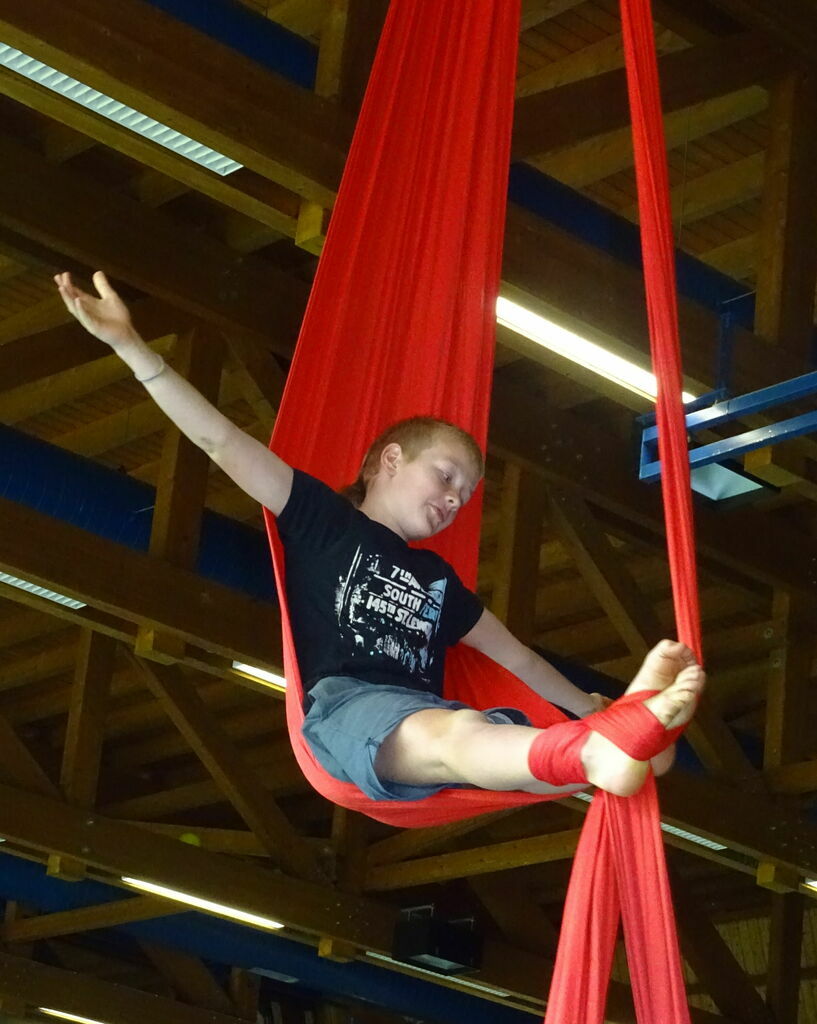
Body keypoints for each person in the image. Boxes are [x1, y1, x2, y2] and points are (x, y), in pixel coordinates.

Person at [55, 271, 705, 804]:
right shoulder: (322, 519)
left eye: (464, 496)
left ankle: (608, 740)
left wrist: (590, 704)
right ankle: (596, 751)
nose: (454, 500)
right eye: (445, 477)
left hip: (427, 714)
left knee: (484, 737)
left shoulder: (438, 581)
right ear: (390, 460)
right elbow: (219, 441)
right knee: (455, 735)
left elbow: (521, 661)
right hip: (349, 710)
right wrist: (133, 350)